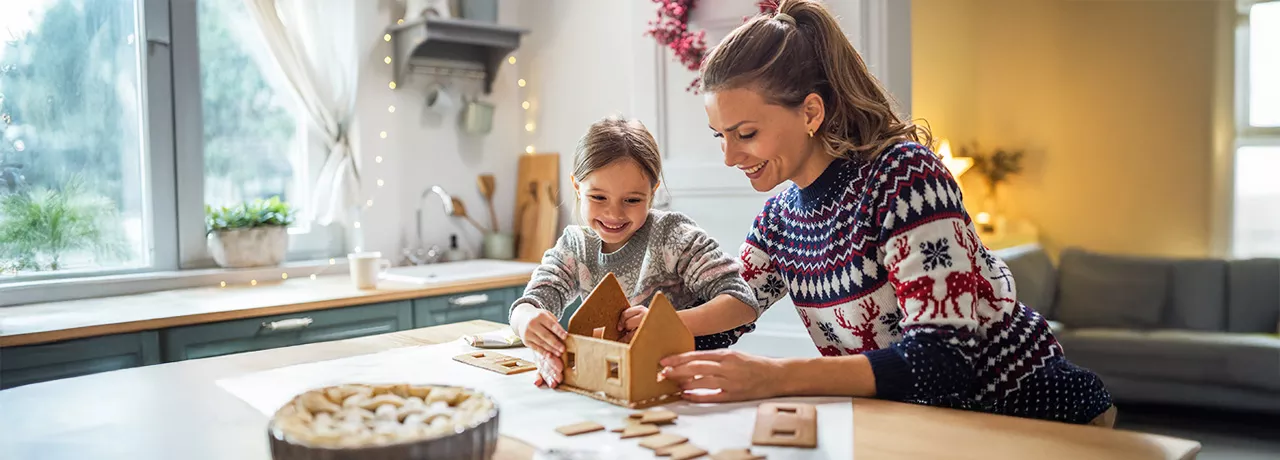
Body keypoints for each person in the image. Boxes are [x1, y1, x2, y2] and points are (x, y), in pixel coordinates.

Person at [657, 0, 1115, 426]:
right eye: (720, 136)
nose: (730, 157)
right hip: (928, 428)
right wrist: (652, 327)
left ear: (811, 112)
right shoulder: (778, 219)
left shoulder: (904, 177)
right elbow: (733, 308)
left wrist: (774, 376)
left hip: (1035, 416)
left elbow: (943, 360)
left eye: (746, 133)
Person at [508, 115, 760, 389]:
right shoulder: (575, 245)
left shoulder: (673, 235)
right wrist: (526, 321)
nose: (614, 213)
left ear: (652, 193)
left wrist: (662, 323)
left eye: (632, 200)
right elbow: (533, 301)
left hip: (682, 384)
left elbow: (742, 304)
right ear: (577, 187)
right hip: (610, 384)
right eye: (598, 197)